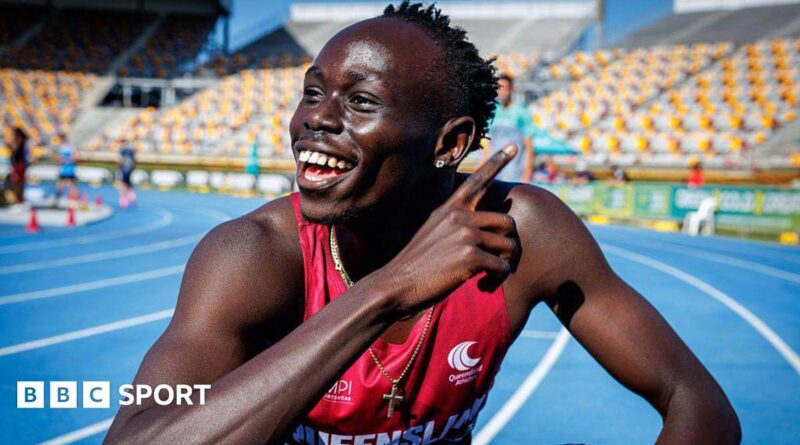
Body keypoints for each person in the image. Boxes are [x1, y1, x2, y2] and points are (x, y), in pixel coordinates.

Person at [105, 3, 740, 444]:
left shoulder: (526, 233)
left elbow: (700, 404)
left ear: (449, 143)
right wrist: (389, 290)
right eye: (311, 91)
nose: (314, 121)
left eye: (359, 101)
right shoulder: (252, 256)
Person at [482, 73, 535, 183]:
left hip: (514, 172)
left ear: (511, 89)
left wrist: (527, 174)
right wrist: (483, 165)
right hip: (493, 170)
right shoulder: (492, 110)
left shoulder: (521, 112)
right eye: (499, 88)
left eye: (505, 88)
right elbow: (488, 142)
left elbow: (529, 146)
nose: (501, 92)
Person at [4, 127, 30, 206]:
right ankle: (20, 200)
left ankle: (19, 201)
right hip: (19, 164)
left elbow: (15, 150)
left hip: (18, 165)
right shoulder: (22, 141)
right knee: (18, 182)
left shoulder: (19, 140)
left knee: (17, 183)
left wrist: (9, 146)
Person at [55, 133, 78, 201]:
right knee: (59, 185)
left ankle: (74, 201)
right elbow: (58, 159)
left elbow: (75, 158)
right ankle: (57, 200)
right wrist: (59, 160)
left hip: (70, 169)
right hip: (62, 169)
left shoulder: (71, 147)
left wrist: (64, 160)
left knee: (72, 186)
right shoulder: (60, 147)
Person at [117, 143, 137, 208]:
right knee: (129, 185)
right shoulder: (132, 152)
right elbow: (134, 161)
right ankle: (132, 198)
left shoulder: (123, 152)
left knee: (123, 186)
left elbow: (120, 160)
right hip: (130, 170)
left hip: (124, 170)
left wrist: (118, 167)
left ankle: (123, 202)